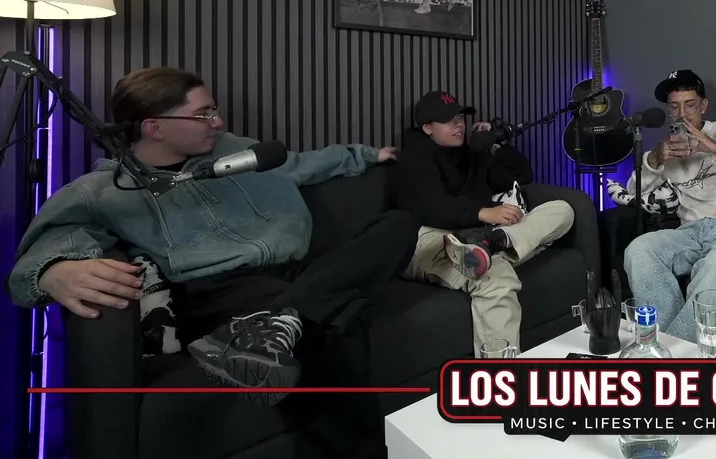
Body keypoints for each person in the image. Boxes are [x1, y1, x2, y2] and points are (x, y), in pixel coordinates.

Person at [5, 68, 415, 410]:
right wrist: (53, 273)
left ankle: (277, 323)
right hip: (215, 293)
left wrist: (367, 155)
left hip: (294, 272)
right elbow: (32, 262)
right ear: (154, 127)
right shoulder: (101, 191)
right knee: (340, 327)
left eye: (214, 110)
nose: (217, 122)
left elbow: (301, 165)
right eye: (203, 114)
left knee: (398, 224)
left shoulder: (238, 152)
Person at [392, 90, 575, 356]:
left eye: (459, 117)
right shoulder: (415, 157)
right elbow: (429, 207)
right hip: (427, 238)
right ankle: (499, 378)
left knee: (562, 210)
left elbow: (521, 175)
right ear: (428, 128)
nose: (458, 124)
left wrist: (497, 144)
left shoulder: (470, 153)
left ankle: (496, 242)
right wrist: (483, 213)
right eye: (448, 120)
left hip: (477, 234)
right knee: (496, 277)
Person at [621, 70, 716, 342]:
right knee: (638, 250)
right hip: (689, 230)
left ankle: (678, 352)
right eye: (674, 107)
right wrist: (654, 160)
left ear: (703, 105)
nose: (682, 114)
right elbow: (633, 192)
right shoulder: (667, 148)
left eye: (690, 105)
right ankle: (664, 344)